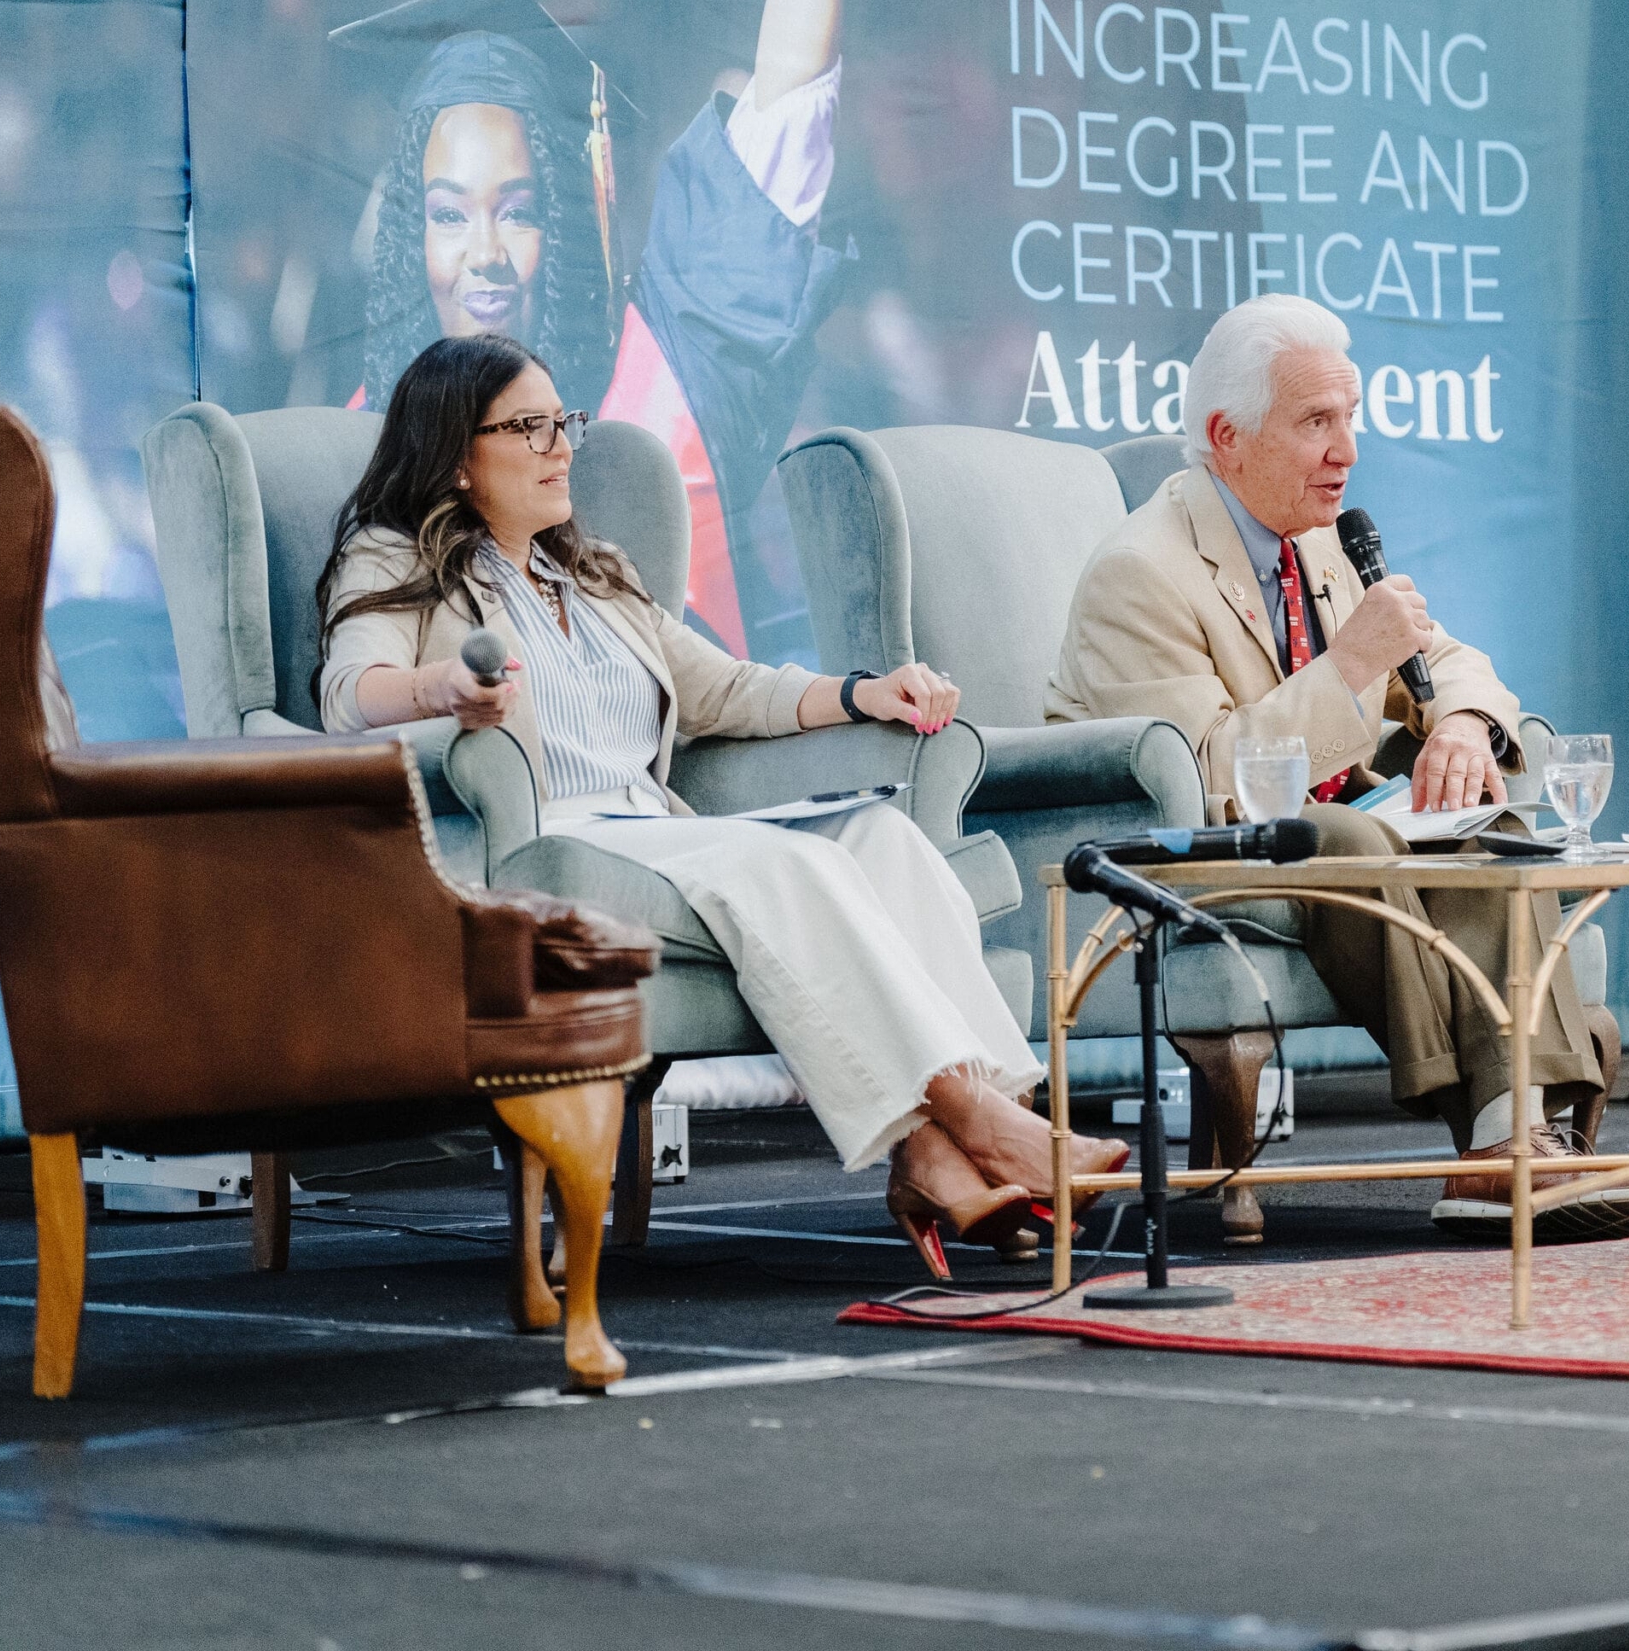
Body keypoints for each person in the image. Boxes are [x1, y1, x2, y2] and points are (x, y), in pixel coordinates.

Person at [315, 334, 1126, 1274]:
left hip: (653, 832)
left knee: (882, 836)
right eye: (528, 428)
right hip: (545, 844)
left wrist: (864, 692)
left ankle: (939, 1156)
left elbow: (725, 691)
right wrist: (446, 688)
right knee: (791, 863)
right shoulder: (393, 557)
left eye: (562, 422)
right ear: (458, 457)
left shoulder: (594, 573)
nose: (561, 446)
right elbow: (350, 694)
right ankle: (983, 1120)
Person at [1046, 294, 1629, 1245]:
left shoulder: (1325, 541)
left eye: (1351, 417)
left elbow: (1454, 660)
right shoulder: (1140, 572)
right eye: (1317, 423)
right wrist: (1349, 670)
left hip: (1333, 829)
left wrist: (1457, 721)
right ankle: (1492, 1142)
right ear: (1228, 436)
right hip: (1186, 851)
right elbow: (1203, 774)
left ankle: (1511, 1143)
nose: (1349, 450)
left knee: (1484, 821)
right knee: (1352, 831)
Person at [332, 0, 849, 655]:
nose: (484, 254)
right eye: (448, 215)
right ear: (410, 238)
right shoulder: (369, 434)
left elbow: (791, 98)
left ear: (568, 220)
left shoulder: (666, 375)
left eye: (519, 210)